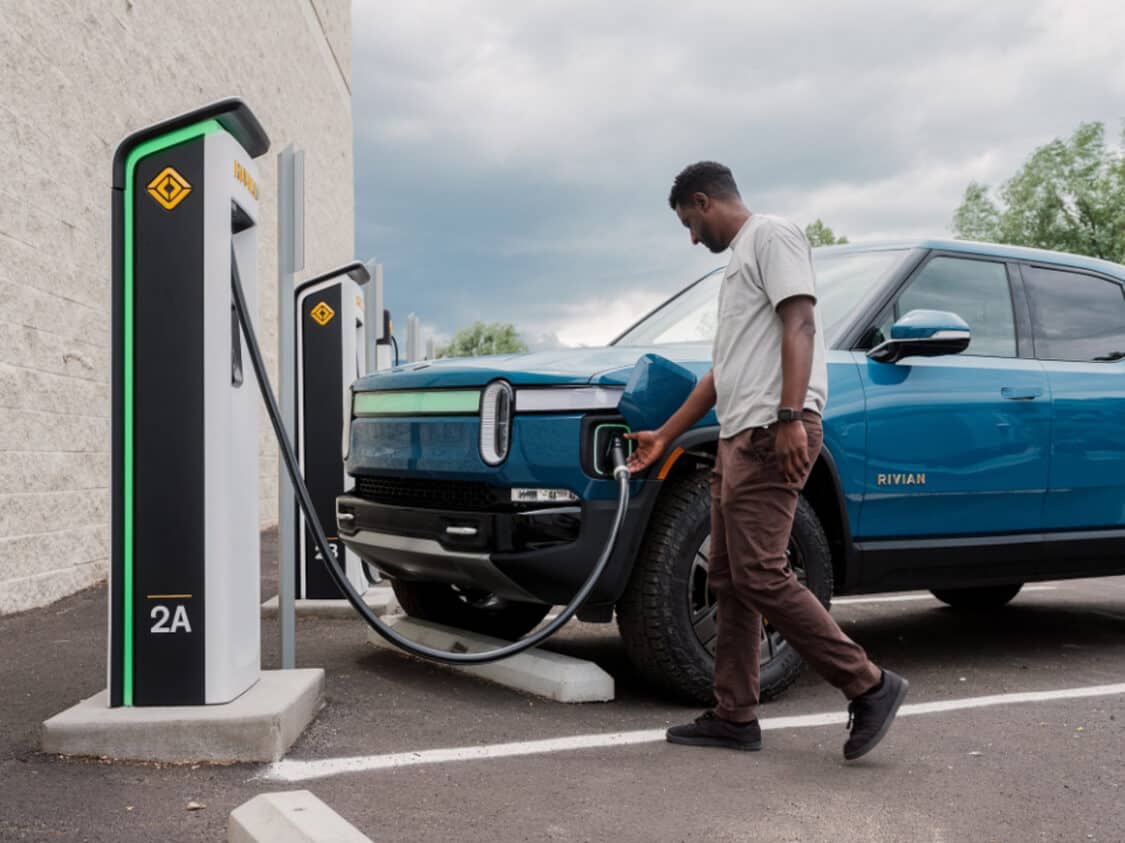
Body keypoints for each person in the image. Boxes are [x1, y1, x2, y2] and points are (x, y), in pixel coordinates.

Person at [625, 161, 907, 761]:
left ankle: (870, 685)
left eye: (689, 223)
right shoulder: (738, 271)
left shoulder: (772, 235)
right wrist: (667, 437)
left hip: (769, 431)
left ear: (704, 201)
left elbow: (800, 321)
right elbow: (721, 374)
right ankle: (734, 715)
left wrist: (789, 415)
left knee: (759, 573)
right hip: (739, 436)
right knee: (730, 580)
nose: (692, 238)